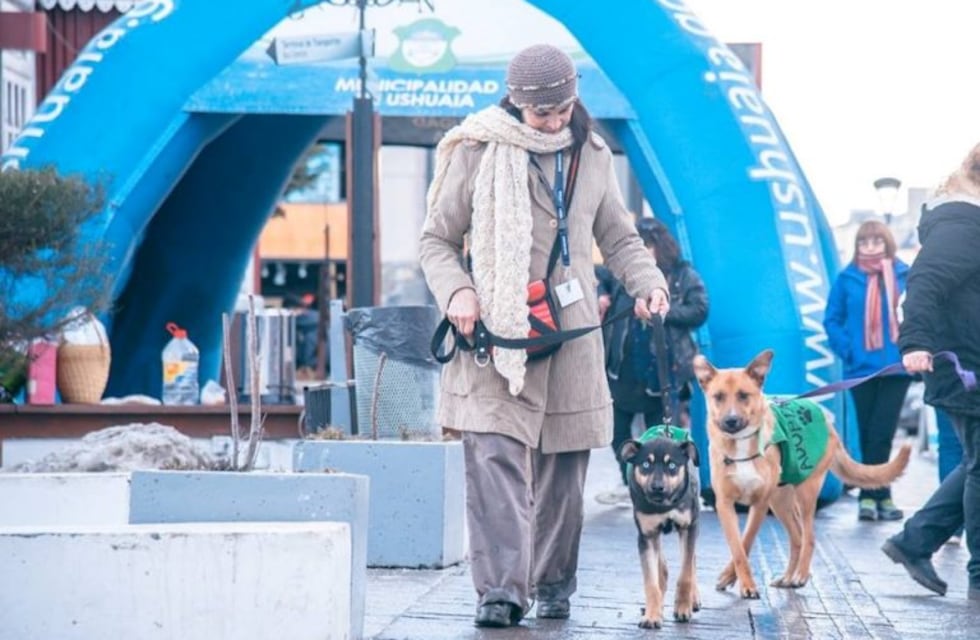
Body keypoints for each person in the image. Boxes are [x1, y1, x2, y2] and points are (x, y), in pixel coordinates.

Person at [418, 43, 670, 627]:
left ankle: (553, 581)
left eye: (562, 109)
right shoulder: (478, 149)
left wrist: (647, 283)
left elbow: (622, 236)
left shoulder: (594, 153)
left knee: (562, 473)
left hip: (574, 336)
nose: (554, 121)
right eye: (542, 114)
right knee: (495, 461)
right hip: (495, 333)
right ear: (516, 104)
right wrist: (458, 291)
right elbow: (436, 239)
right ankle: (502, 591)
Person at [880, 142, 980, 600]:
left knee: (975, 462)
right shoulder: (963, 224)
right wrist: (915, 342)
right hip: (965, 365)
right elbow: (923, 283)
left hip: (969, 360)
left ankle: (914, 541)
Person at [595, 217, 708, 506]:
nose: (642, 253)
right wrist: (602, 294)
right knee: (618, 431)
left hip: (664, 372)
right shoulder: (623, 273)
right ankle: (631, 482)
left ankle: (667, 488)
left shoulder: (683, 275)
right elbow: (599, 275)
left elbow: (699, 309)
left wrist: (661, 313)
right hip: (622, 368)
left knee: (661, 435)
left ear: (659, 245)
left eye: (647, 246)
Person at [823, 220, 911, 521]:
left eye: (876, 241)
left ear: (887, 243)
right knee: (866, 433)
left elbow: (916, 313)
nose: (870, 247)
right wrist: (848, 350)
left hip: (896, 368)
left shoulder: (904, 275)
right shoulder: (847, 279)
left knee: (882, 433)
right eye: (864, 242)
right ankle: (871, 496)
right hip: (860, 368)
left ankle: (878, 495)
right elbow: (832, 320)